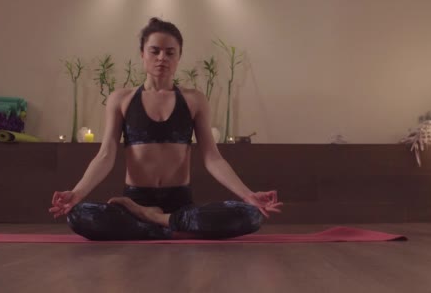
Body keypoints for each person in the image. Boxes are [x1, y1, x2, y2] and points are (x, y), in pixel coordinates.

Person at [48, 17, 283, 240]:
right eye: (155, 51)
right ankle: (167, 225)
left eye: (170, 52)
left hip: (179, 204)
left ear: (179, 57)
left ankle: (154, 220)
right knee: (78, 215)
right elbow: (106, 155)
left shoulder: (194, 100)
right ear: (142, 54)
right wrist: (76, 193)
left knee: (251, 215)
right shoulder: (121, 99)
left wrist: (248, 195)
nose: (162, 57)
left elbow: (213, 158)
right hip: (136, 201)